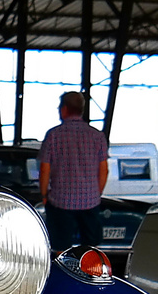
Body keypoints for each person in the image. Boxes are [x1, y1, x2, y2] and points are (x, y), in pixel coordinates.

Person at [38, 91, 108, 250]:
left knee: (59, 250)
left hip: (60, 202)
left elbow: (44, 169)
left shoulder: (53, 135)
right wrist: (96, 194)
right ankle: (88, 274)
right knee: (91, 249)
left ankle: (64, 273)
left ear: (64, 109)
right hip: (90, 202)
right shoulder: (97, 136)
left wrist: (43, 194)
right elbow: (104, 170)